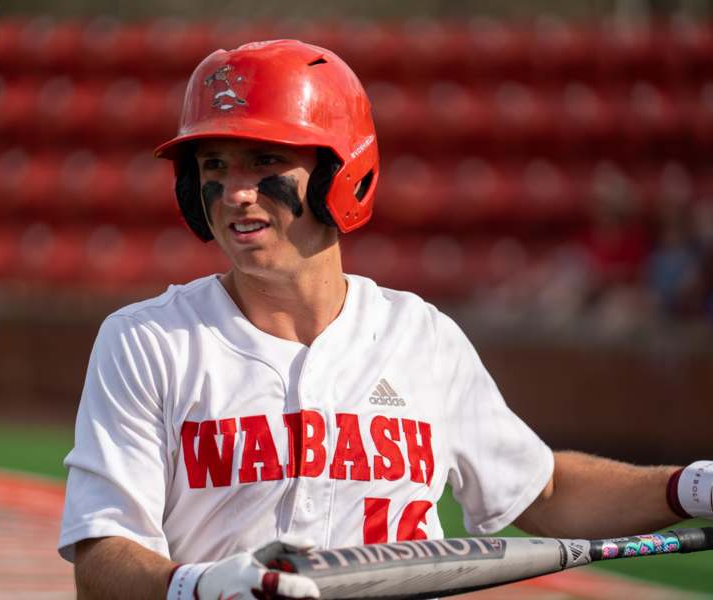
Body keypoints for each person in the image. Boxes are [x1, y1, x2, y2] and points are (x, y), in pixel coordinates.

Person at [58, 40, 712, 600]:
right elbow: (102, 560)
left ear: (341, 174)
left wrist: (686, 487)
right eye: (214, 166)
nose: (235, 192)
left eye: (264, 161)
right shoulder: (146, 341)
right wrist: (195, 586)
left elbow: (542, 495)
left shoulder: (419, 338)